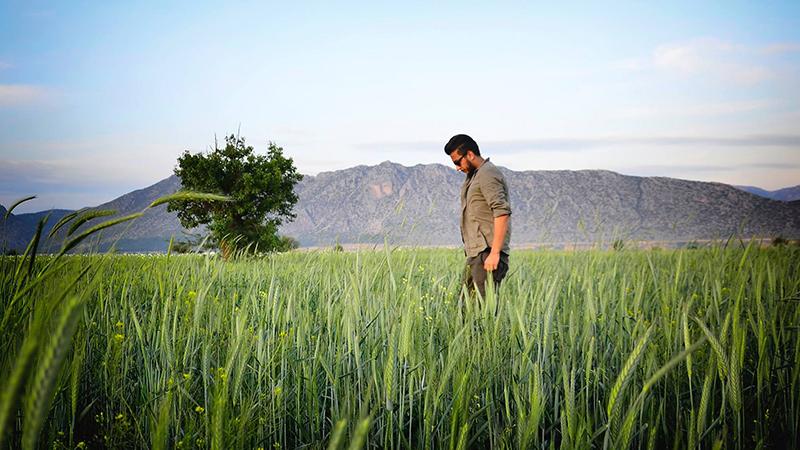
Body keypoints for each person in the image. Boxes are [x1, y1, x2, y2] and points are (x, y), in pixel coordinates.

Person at [444, 134, 511, 300]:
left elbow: (501, 212)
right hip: (476, 255)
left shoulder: (487, 174)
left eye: (457, 162)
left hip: (487, 254)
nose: (457, 167)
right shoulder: (474, 176)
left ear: (470, 154)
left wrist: (495, 253)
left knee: (481, 313)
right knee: (464, 312)